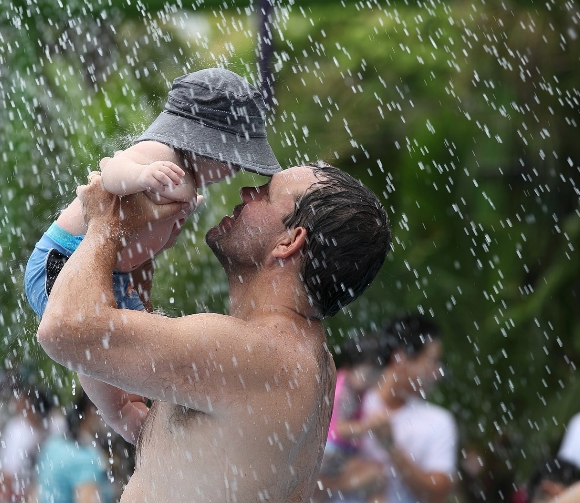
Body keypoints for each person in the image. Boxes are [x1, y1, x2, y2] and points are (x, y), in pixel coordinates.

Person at [37, 158, 391, 500]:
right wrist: (136, 255)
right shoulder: (306, 360)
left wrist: (104, 222)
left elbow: (63, 329)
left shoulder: (254, 354)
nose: (247, 192)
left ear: (289, 242)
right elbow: (183, 451)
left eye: (265, 194)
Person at [25, 67, 282, 318]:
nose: (236, 171)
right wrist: (141, 176)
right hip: (63, 260)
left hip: (112, 272)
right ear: (207, 147)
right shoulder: (162, 155)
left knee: (138, 344)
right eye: (235, 161)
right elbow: (112, 171)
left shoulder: (183, 184)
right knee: (88, 331)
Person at [321, 315, 458, 503]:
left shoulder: (439, 421)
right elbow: (305, 470)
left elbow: (438, 495)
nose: (438, 372)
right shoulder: (355, 398)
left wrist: (392, 448)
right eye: (432, 361)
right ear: (400, 358)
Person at [318, 333, 396, 501]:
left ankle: (323, 487)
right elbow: (341, 429)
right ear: (351, 366)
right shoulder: (346, 393)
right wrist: (369, 426)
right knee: (376, 477)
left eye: (377, 374)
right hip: (331, 453)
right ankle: (324, 485)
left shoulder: (349, 385)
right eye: (368, 374)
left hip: (332, 452)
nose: (372, 380)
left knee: (376, 477)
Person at [33, 391, 115, 503]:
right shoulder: (86, 458)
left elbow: (34, 493)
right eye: (109, 411)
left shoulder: (52, 445)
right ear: (92, 410)